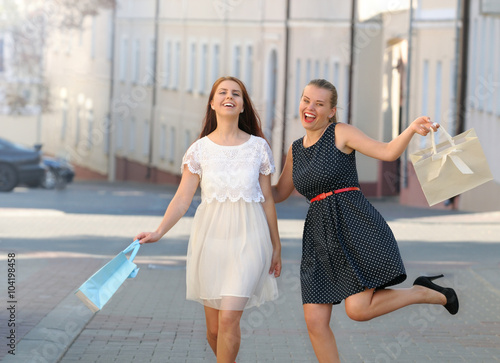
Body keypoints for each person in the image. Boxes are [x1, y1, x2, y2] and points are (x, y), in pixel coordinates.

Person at [272, 78, 459, 363]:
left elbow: (386, 152)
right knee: (314, 321)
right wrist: (248, 169)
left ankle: (422, 292)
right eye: (306, 100)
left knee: (358, 310)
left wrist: (410, 129)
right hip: (319, 239)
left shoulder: (340, 133)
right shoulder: (295, 150)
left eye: (319, 104)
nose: (310, 108)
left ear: (331, 111)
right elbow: (278, 193)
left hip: (355, 226)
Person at [135, 76, 282, 363]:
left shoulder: (258, 148)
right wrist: (159, 232)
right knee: (213, 332)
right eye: (223, 92)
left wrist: (276, 246)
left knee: (228, 320)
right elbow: (181, 199)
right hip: (211, 243)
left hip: (250, 241)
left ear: (242, 106)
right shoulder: (199, 150)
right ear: (213, 103)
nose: (230, 97)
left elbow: (267, 200)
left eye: (236, 94)